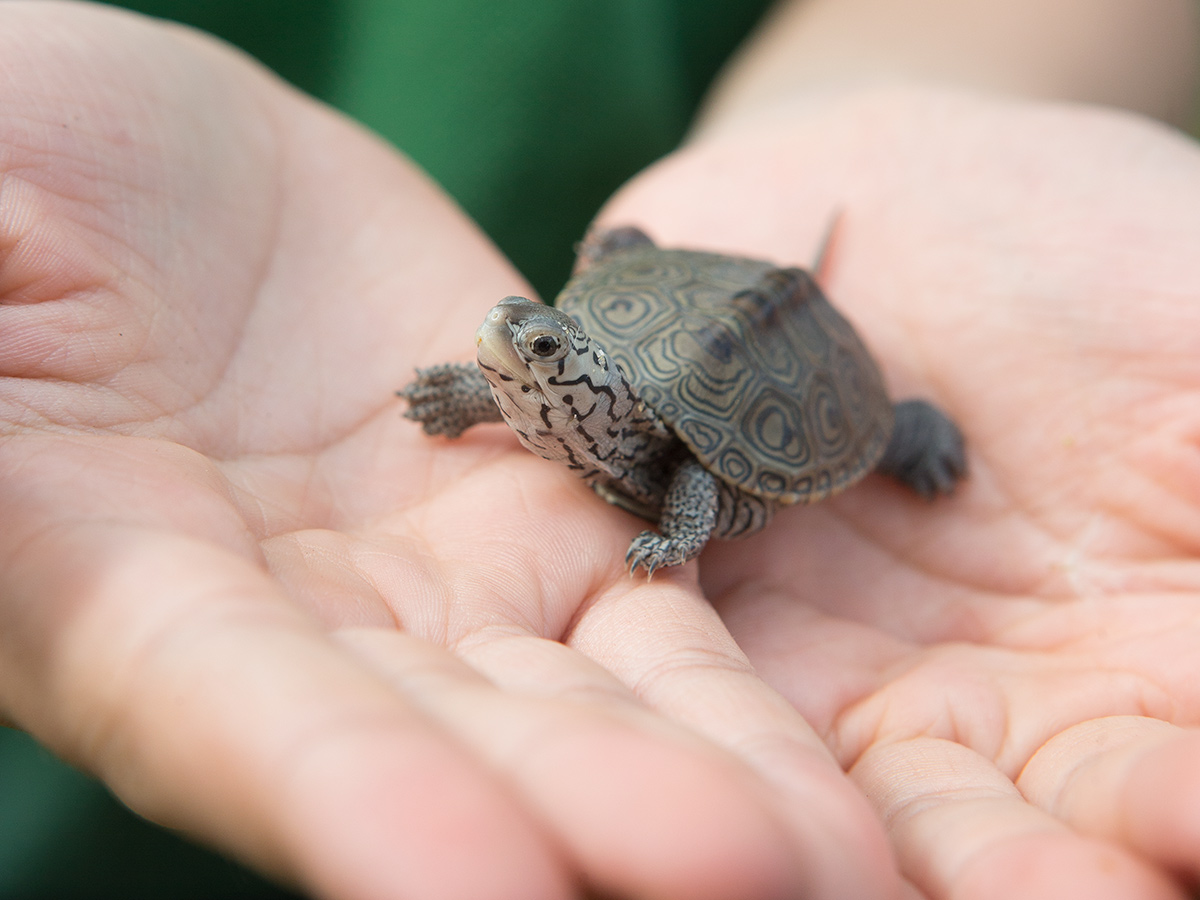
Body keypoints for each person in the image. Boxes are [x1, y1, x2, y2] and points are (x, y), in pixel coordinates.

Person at [0, 1, 1197, 898]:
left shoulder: (655, 446)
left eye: (529, 352)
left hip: (764, 367)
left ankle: (901, 422)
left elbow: (718, 490)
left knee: (876, 441)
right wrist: (465, 396)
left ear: (574, 372)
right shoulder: (545, 386)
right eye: (516, 351)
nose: (513, 351)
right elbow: (508, 385)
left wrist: (682, 525)